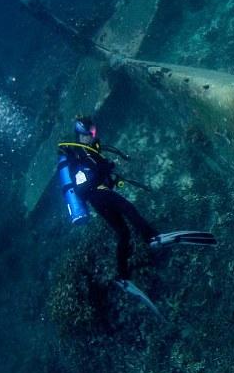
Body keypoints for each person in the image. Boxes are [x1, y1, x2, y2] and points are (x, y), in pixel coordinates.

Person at [57, 116, 216, 317]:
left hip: (99, 196)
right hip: (97, 195)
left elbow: (99, 176)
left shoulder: (88, 152)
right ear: (82, 135)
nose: (94, 136)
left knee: (123, 233)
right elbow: (82, 186)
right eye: (91, 133)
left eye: (95, 132)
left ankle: (122, 275)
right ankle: (151, 238)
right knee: (129, 208)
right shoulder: (78, 155)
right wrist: (105, 168)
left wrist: (110, 177)